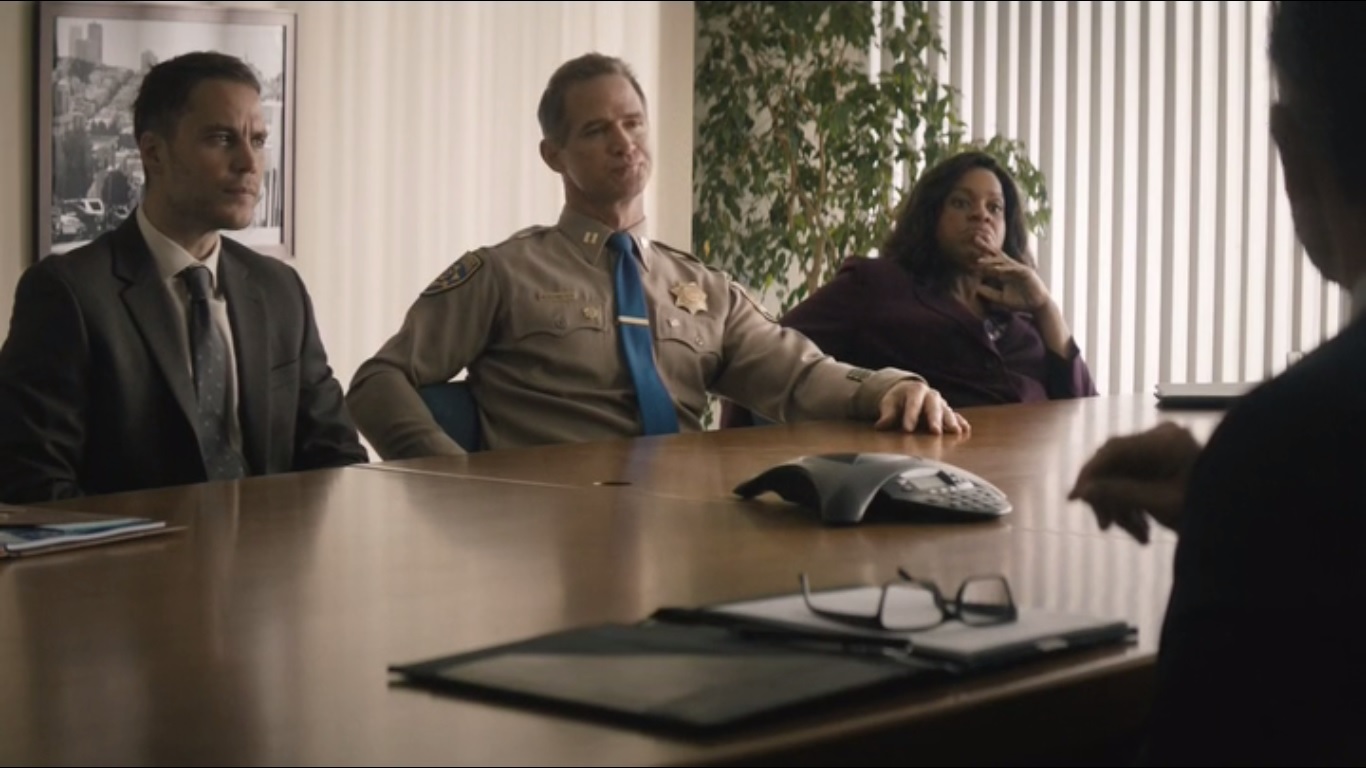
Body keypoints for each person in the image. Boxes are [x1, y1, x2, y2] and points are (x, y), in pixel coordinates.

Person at [347, 52, 967, 459]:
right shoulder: (504, 273)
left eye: (633, 123)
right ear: (553, 155)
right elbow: (378, 381)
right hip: (547, 531)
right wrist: (449, 474)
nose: (623, 142)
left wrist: (889, 387)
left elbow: (800, 376)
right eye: (596, 131)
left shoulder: (705, 289)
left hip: (685, 524)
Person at [1069, 3, 1366, 764]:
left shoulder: (1291, 447)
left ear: (1291, 153)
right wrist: (1233, 496)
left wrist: (1258, 494)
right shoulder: (1287, 462)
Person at [0, 51, 368, 503]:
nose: (249, 163)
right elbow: (35, 486)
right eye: (222, 138)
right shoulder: (68, 293)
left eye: (257, 140)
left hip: (276, 544)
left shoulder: (279, 289)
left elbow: (337, 459)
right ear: (154, 153)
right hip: (135, 549)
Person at [723, 150, 1096, 428]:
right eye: (961, 202)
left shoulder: (1018, 308)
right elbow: (766, 355)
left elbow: (1085, 411)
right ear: (931, 215)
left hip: (1037, 471)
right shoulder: (877, 284)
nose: (980, 214)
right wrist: (740, 458)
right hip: (941, 475)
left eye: (994, 207)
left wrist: (1044, 307)